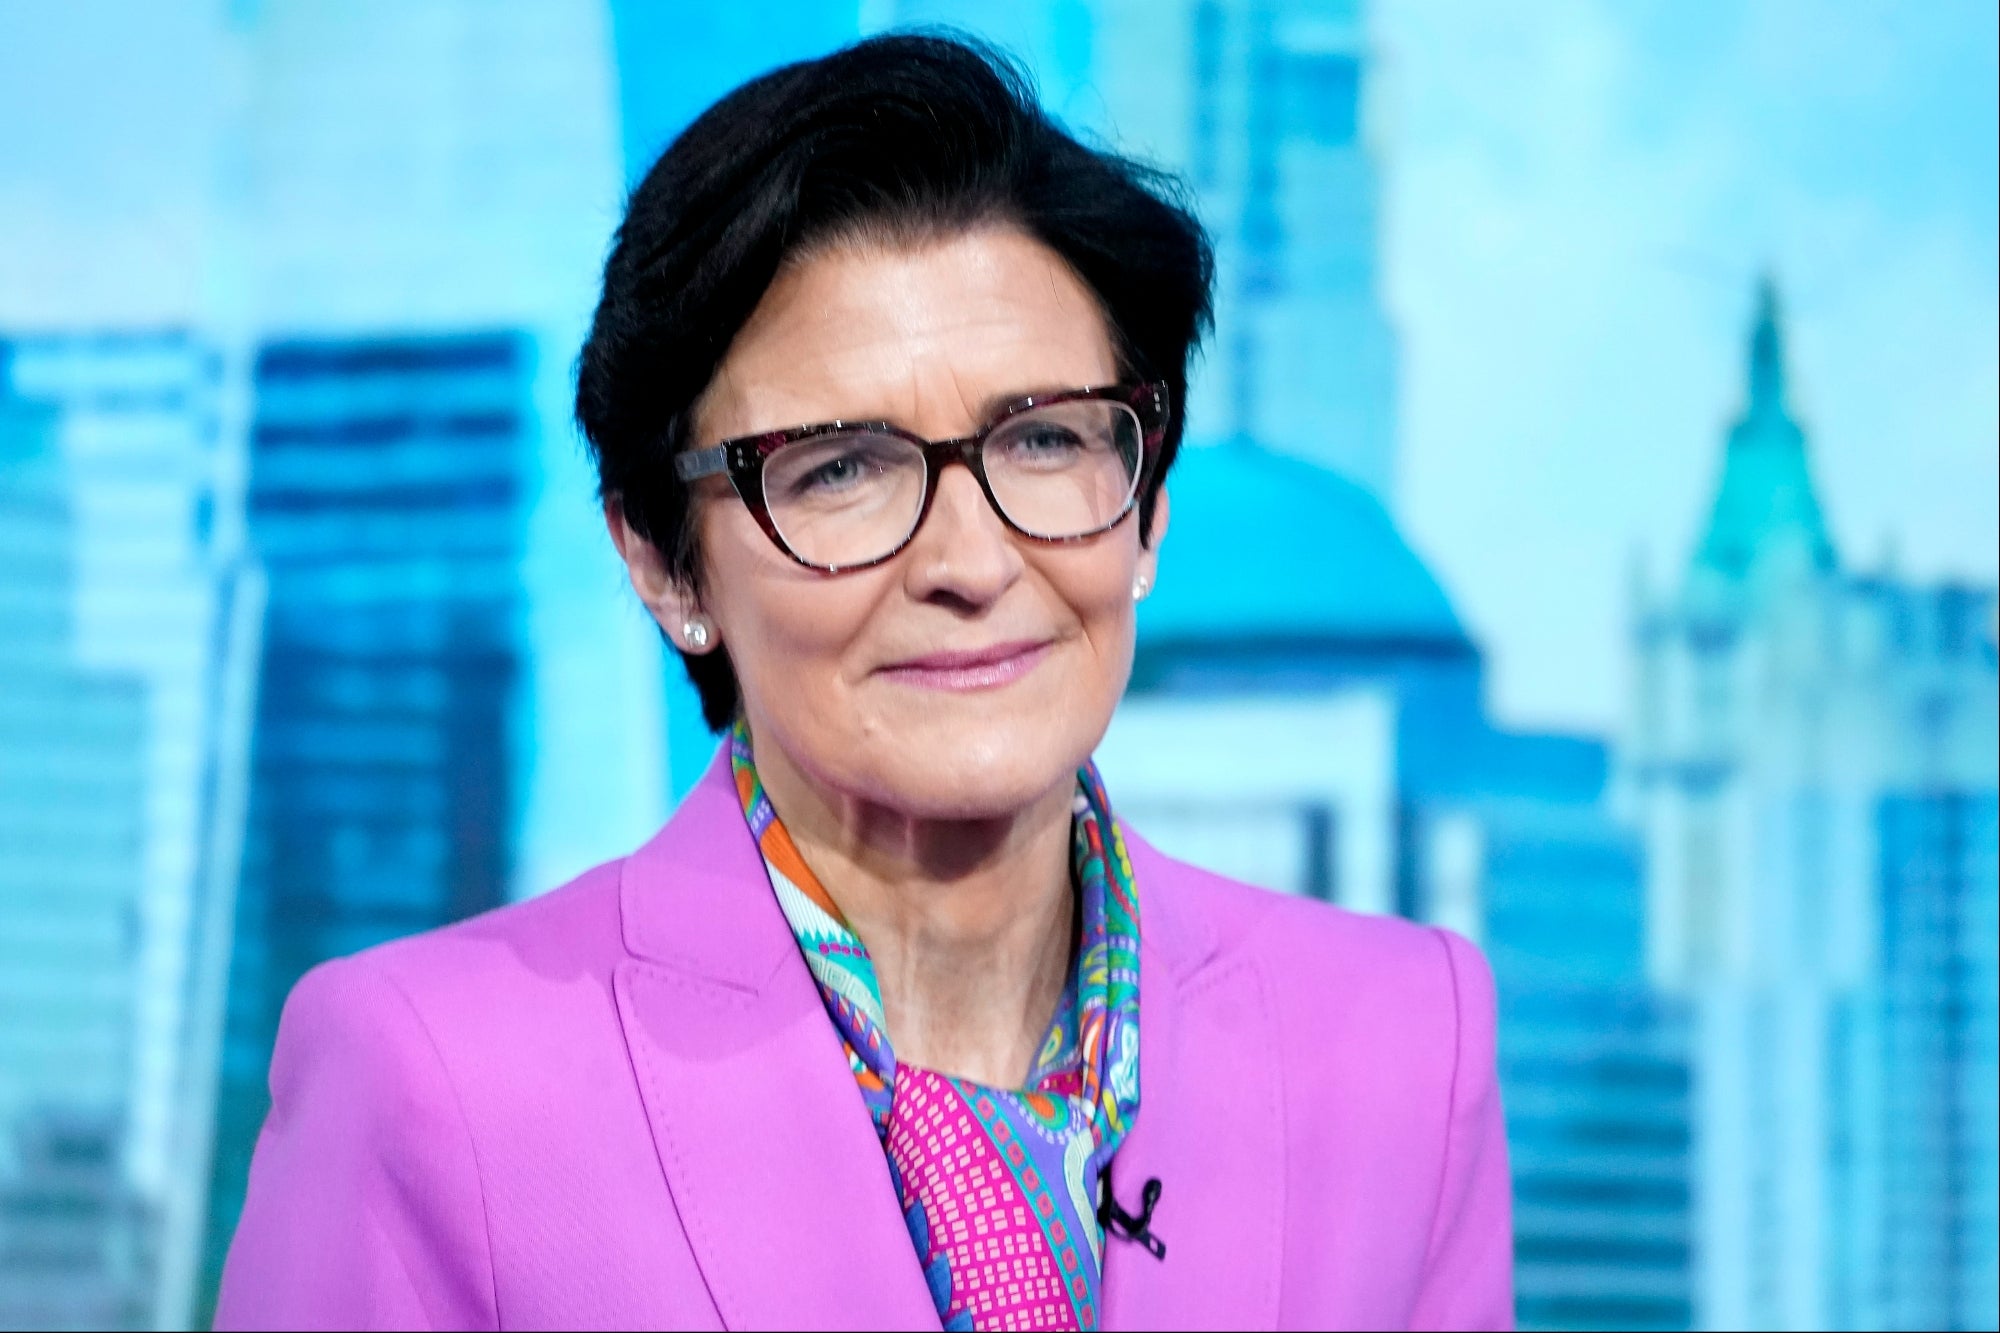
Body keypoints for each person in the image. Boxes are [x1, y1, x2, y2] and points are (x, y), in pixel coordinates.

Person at [215, 34, 1511, 1332]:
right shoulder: (431, 1080)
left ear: (1147, 506)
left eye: (1045, 438)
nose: (970, 563)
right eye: (842, 468)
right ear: (663, 561)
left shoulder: (1402, 1043)